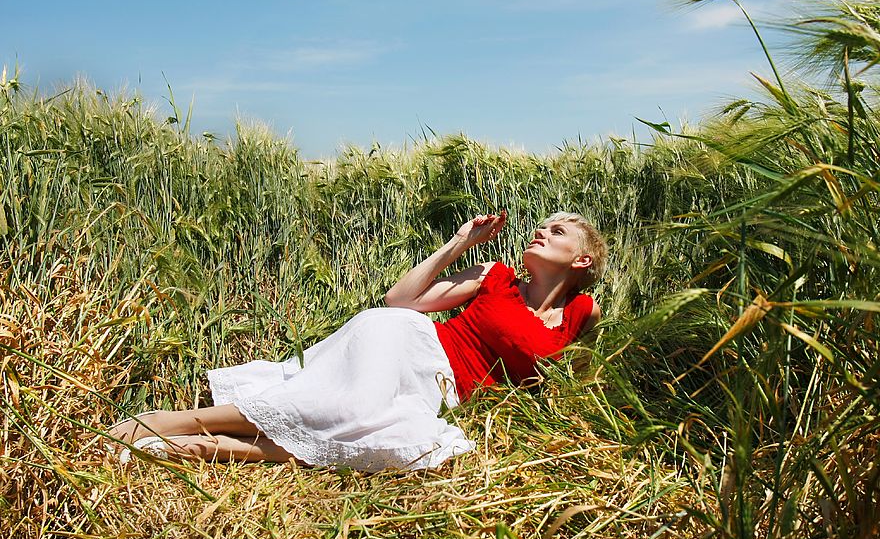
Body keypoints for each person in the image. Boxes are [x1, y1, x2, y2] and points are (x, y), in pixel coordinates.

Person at [108, 210, 607, 472]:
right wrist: (459, 244)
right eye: (541, 226)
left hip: (438, 391)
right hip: (410, 343)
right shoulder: (495, 276)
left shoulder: (583, 313)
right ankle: (166, 424)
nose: (541, 231)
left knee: (382, 441)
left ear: (581, 260)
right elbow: (399, 300)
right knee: (345, 404)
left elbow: (571, 385)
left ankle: (198, 448)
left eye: (557, 231)